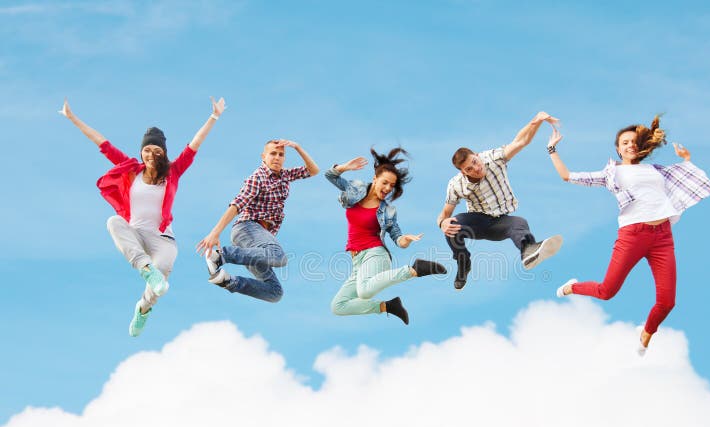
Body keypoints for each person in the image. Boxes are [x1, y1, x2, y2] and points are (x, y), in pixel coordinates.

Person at [547, 116, 710, 355]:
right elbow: (567, 176)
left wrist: (687, 159)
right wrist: (552, 148)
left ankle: (647, 333)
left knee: (667, 302)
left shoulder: (655, 170)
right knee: (607, 291)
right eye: (625, 142)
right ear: (618, 149)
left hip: (662, 237)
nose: (630, 145)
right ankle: (572, 288)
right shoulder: (612, 174)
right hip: (633, 235)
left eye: (633, 141)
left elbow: (682, 177)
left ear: (640, 146)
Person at [60, 96, 225, 336]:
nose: (151, 154)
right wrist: (73, 118)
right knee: (114, 222)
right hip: (135, 235)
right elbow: (102, 143)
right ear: (142, 152)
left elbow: (194, 145)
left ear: (163, 153)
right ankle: (144, 267)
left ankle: (143, 309)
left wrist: (214, 116)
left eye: (156, 150)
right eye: (147, 149)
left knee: (161, 285)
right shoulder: (131, 169)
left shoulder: (174, 172)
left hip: (162, 240)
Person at [436, 111, 564, 290]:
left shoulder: (494, 158)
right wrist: (442, 223)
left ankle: (528, 251)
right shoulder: (456, 184)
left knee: (520, 223)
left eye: (475, 161)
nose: (476, 168)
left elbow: (521, 141)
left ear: (477, 155)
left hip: (500, 223)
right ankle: (463, 262)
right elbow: (444, 214)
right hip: (478, 222)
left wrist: (536, 122)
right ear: (463, 172)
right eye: (469, 168)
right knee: (453, 224)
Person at [326, 148, 447, 324]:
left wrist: (405, 240)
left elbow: (397, 237)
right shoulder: (356, 189)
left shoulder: (387, 210)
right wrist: (344, 167)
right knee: (338, 306)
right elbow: (330, 176)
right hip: (357, 260)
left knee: (365, 292)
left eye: (391, 185)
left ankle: (415, 269)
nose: (388, 188)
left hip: (376, 254)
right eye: (385, 183)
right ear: (375, 179)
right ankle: (389, 306)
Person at [197, 139, 319, 302]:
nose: (277, 158)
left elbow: (314, 170)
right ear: (264, 157)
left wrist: (297, 147)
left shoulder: (285, 175)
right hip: (247, 228)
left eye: (281, 155)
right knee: (278, 256)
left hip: (256, 244)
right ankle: (221, 255)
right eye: (273, 153)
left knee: (275, 293)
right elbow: (237, 204)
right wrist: (215, 233)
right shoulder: (258, 177)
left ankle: (228, 281)